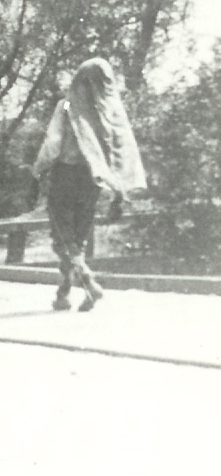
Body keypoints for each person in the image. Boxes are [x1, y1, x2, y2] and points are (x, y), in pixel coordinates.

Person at [32, 58, 144, 312]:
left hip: (65, 177)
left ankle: (89, 282)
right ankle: (63, 292)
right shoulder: (110, 112)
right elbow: (120, 151)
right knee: (77, 240)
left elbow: (52, 144)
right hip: (91, 181)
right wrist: (118, 189)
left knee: (63, 237)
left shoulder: (68, 105)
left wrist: (37, 172)